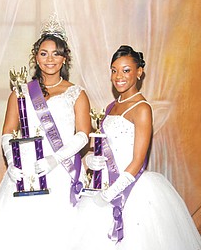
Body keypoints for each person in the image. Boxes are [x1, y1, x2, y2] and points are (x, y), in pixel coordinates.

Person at [72, 45, 201, 250]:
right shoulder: (111, 106)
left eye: (126, 70)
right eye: (114, 70)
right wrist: (89, 159)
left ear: (139, 72)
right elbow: (102, 146)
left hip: (130, 188)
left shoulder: (142, 109)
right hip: (103, 183)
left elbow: (138, 160)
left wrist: (109, 194)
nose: (118, 76)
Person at [0, 14, 91, 250]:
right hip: (26, 170)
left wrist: (55, 160)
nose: (50, 59)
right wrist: (12, 161)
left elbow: (84, 134)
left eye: (56, 53)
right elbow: (7, 132)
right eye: (44, 53)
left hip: (61, 169)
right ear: (36, 57)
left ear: (64, 58)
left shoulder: (76, 93)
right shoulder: (21, 92)